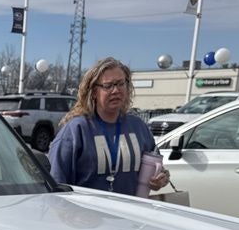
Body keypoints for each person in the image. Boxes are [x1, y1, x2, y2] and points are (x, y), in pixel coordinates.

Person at [48, 57, 170, 195]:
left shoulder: (138, 127)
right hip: (85, 208)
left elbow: (158, 171)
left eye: (121, 83)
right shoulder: (76, 130)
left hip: (129, 208)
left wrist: (160, 179)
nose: (116, 90)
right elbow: (55, 182)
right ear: (94, 92)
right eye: (108, 85)